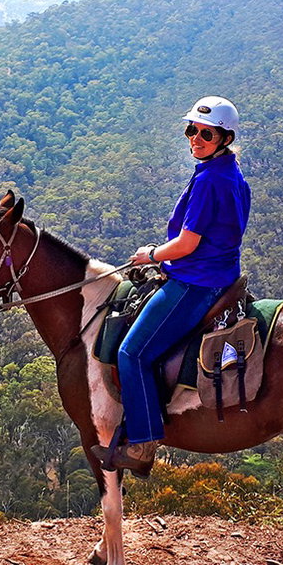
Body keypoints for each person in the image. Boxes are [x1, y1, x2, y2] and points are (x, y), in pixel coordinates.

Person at [107, 97, 252, 477]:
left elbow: (187, 244)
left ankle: (142, 443)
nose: (196, 139)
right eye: (192, 130)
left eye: (207, 134)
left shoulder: (209, 180)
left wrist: (152, 255)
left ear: (225, 138)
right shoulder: (230, 173)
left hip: (196, 283)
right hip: (220, 274)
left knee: (132, 353)